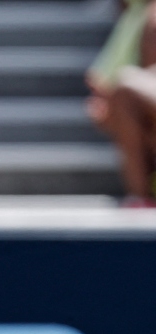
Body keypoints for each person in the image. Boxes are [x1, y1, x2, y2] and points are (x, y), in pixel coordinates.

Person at [87, 0, 156, 205]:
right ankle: (141, 197)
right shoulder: (136, 17)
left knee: (127, 86)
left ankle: (140, 196)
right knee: (125, 93)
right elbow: (101, 98)